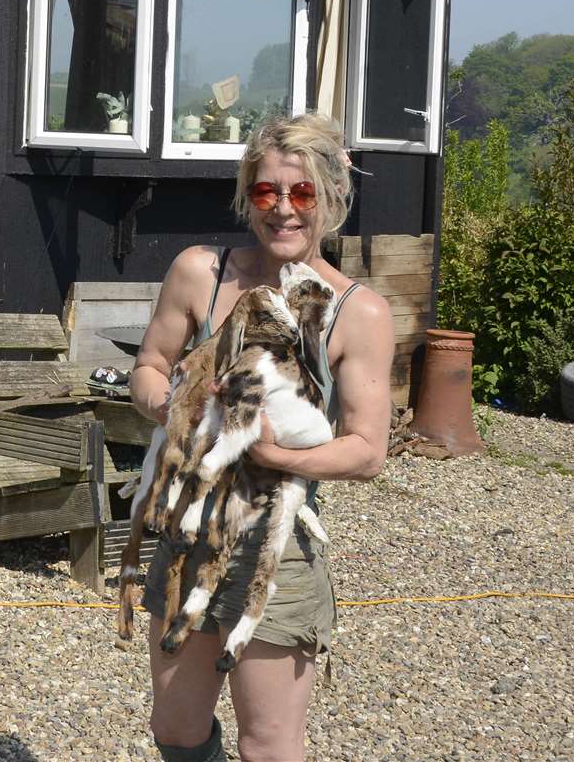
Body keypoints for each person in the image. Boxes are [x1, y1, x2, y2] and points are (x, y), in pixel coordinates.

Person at [128, 112, 393, 762]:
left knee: (270, 745)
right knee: (176, 729)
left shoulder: (359, 312)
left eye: (301, 193)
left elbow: (366, 449)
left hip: (278, 550)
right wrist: (179, 410)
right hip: (186, 532)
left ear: (331, 198)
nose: (283, 210)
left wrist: (271, 452)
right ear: (247, 194)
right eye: (266, 192)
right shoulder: (201, 273)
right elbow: (148, 369)